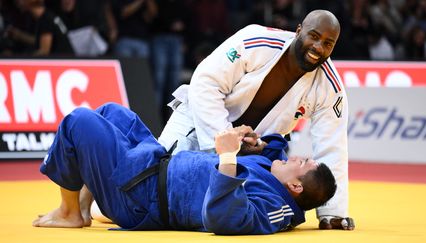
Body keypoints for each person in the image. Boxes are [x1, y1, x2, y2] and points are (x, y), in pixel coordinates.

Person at [158, 10, 354, 230]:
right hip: (196, 122)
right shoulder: (256, 41)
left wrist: (332, 212)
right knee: (152, 180)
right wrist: (224, 146)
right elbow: (205, 82)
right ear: (299, 31)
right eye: (314, 36)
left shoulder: (329, 88)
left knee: (201, 207)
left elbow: (332, 147)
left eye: (328, 43)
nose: (318, 47)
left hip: (250, 155)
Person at [32, 103, 337, 235]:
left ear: (295, 188)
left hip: (140, 196)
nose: (295, 157)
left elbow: (222, 219)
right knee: (113, 112)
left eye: (300, 164)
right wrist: (251, 143)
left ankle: (69, 212)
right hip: (154, 162)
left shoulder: (273, 208)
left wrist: (228, 157)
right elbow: (274, 149)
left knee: (77, 122)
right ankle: (84, 207)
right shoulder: (275, 177)